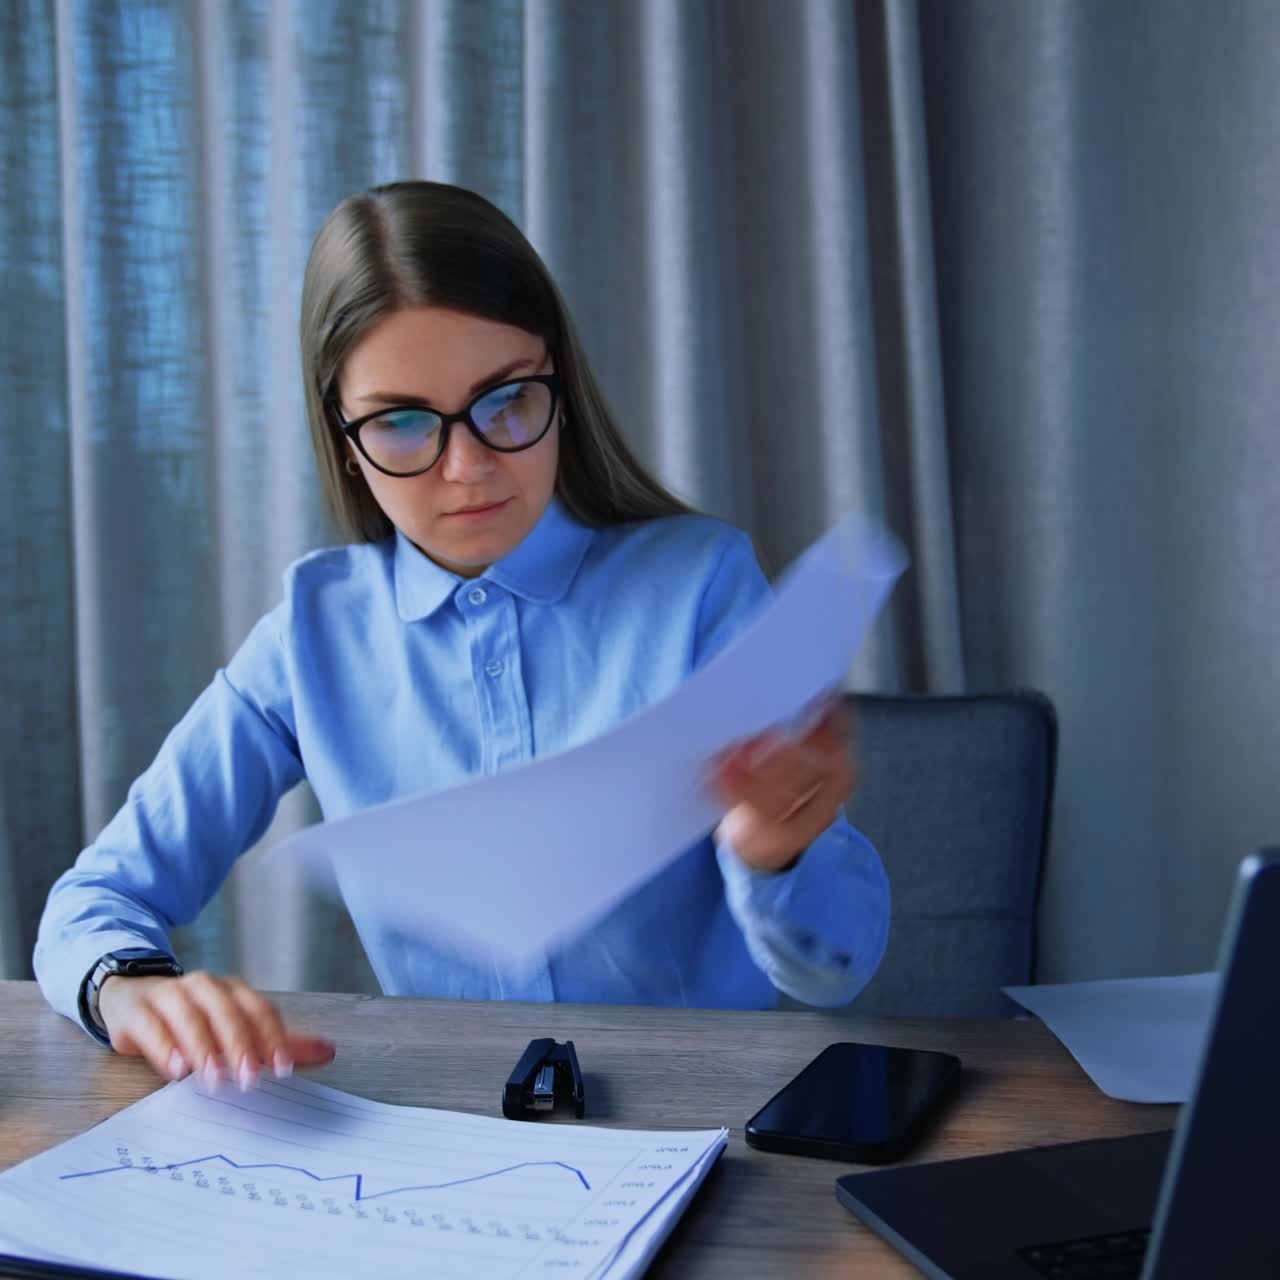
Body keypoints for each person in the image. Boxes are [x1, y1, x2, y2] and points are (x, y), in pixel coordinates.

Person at [35, 180, 889, 1091]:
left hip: (698, 1127)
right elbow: (94, 900)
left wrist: (779, 850)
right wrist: (130, 991)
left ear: (558, 381)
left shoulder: (701, 588)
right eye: (403, 422)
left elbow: (837, 969)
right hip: (446, 1144)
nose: (469, 466)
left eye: (507, 400)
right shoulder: (313, 635)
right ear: (346, 436)